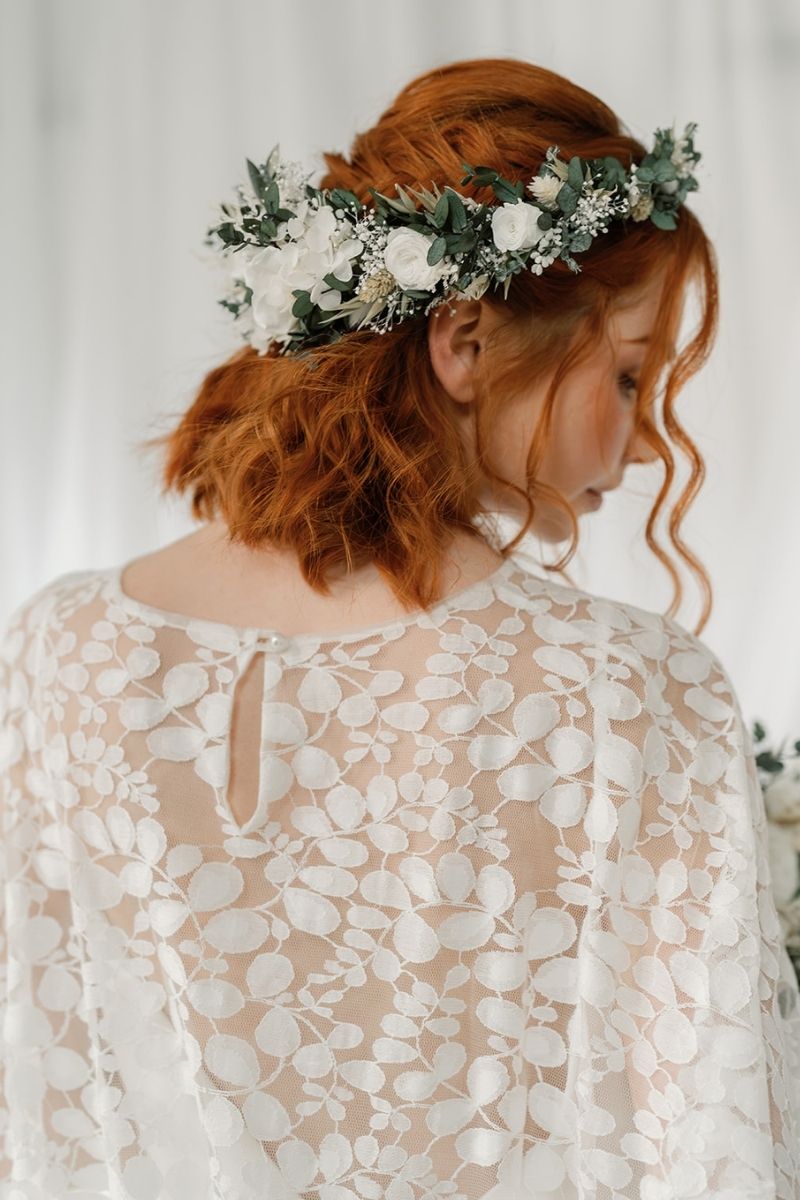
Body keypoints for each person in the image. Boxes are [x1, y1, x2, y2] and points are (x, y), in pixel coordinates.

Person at [1, 55, 798, 1200]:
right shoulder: (630, 691)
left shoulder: (54, 651)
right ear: (462, 342)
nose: (642, 443)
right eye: (627, 378)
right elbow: (718, 1158)